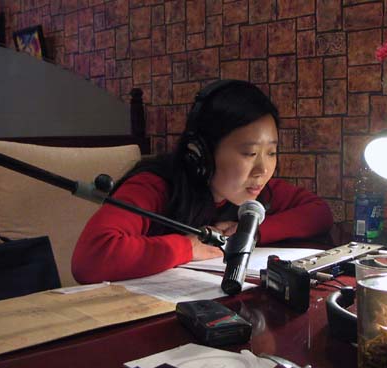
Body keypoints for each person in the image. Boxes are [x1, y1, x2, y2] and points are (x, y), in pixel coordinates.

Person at [72, 80, 333, 283]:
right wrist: (188, 247)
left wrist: (252, 232)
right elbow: (90, 258)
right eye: (249, 153)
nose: (263, 169)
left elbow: (318, 213)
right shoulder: (154, 186)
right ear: (201, 153)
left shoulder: (251, 190)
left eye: (272, 153)